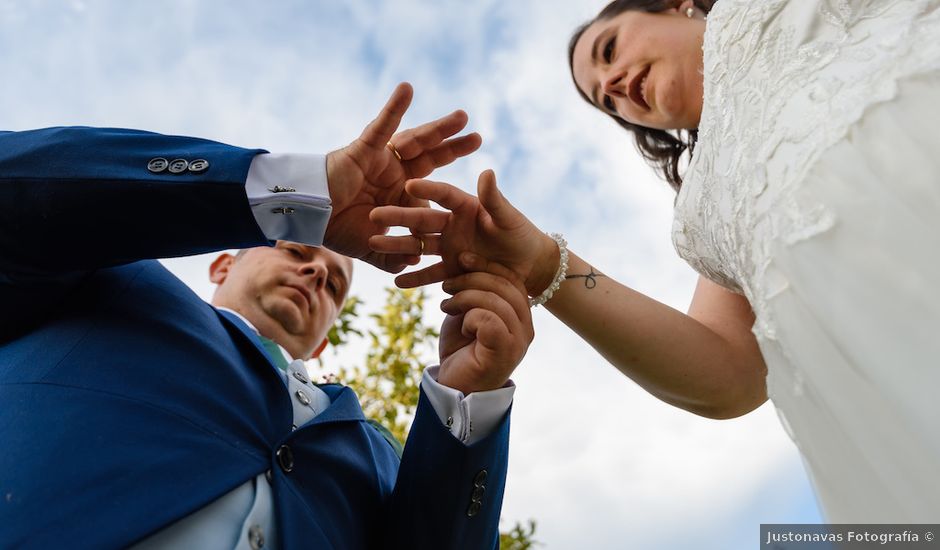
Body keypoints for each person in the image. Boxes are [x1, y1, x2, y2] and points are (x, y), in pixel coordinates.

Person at [367, 0, 940, 522]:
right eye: (605, 100)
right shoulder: (705, 208)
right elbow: (728, 377)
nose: (614, 84)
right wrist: (541, 265)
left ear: (677, 7)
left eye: (609, 50)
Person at [0, 83, 535, 549]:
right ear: (222, 264)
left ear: (324, 342)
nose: (316, 276)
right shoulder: (109, 282)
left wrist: (468, 393)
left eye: (334, 284)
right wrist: (297, 194)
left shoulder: (377, 452)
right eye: (297, 252)